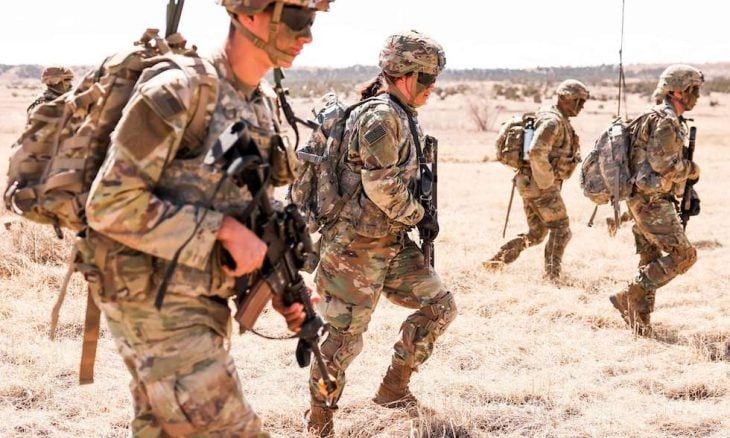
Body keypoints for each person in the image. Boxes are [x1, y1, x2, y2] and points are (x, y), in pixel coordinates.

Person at [83, 0, 333, 435]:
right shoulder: (179, 91)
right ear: (248, 12)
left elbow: (247, 208)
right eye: (297, 19)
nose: (307, 36)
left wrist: (278, 282)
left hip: (203, 303)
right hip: (154, 301)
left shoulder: (260, 103)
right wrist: (221, 231)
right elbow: (108, 203)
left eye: (311, 22)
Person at [306, 30, 456, 437]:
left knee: (439, 305)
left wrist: (417, 218)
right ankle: (319, 420)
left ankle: (393, 388)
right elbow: (381, 184)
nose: (432, 88)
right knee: (343, 340)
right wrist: (417, 214)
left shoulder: (403, 114)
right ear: (405, 75)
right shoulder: (380, 116)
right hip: (353, 249)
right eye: (427, 79)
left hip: (390, 242)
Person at [609, 65, 703, 336]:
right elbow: (664, 164)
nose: (697, 95)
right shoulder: (666, 121)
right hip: (652, 201)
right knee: (684, 256)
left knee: (650, 257)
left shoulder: (654, 116)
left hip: (641, 199)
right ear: (678, 91)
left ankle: (641, 323)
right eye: (693, 89)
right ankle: (630, 294)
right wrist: (692, 170)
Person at [483, 79, 590, 280]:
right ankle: (552, 276)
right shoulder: (552, 121)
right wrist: (547, 184)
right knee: (562, 230)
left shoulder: (552, 116)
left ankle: (495, 262)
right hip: (540, 184)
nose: (581, 106)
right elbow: (536, 151)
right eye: (579, 101)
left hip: (530, 182)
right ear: (566, 98)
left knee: (536, 234)